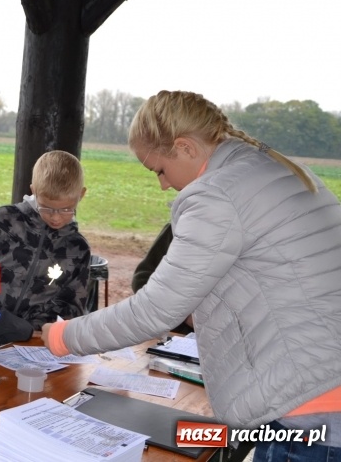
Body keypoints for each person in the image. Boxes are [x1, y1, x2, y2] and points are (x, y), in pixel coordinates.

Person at [42, 90, 341, 460]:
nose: (163, 184)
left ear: (184, 147)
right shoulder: (275, 172)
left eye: (159, 170)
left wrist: (61, 335)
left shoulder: (219, 194)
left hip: (310, 408)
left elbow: (153, 310)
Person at [0, 150, 90, 347]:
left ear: (82, 195)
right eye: (47, 208)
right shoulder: (3, 220)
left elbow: (72, 305)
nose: (56, 217)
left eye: (67, 209)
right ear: (33, 190)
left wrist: (33, 329)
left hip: (33, 341)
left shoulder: (77, 248)